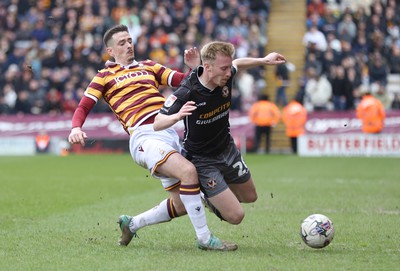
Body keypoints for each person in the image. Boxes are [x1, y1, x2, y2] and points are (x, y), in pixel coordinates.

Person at [67, 25, 236, 251]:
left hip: (169, 132)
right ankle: (205, 239)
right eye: (122, 43)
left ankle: (132, 224)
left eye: (129, 40)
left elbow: (187, 82)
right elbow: (84, 105)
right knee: (188, 172)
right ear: (110, 51)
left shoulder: (149, 66)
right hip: (144, 137)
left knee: (183, 203)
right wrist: (75, 127)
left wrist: (196, 67)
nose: (128, 45)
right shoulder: (104, 76)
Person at [153, 41, 286, 226]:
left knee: (250, 196)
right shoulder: (187, 90)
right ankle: (206, 194)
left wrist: (264, 60)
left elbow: (238, 63)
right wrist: (178, 116)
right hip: (201, 159)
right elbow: (157, 123)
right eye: (224, 68)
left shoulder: (226, 75)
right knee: (236, 217)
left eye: (228, 68)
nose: (229, 73)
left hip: (227, 148)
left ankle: (216, 191)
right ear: (207, 67)